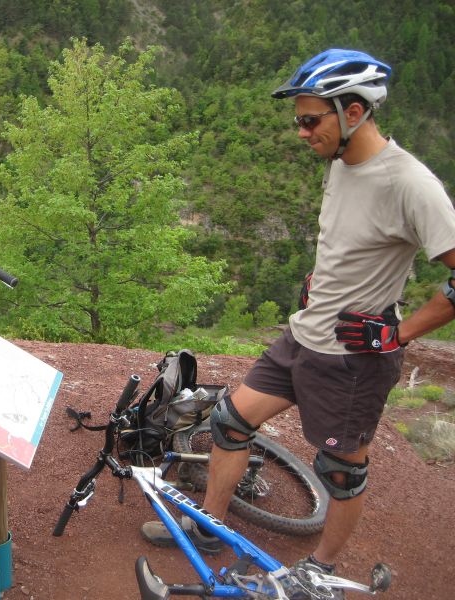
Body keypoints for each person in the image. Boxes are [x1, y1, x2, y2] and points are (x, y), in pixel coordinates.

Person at [142, 48, 455, 590]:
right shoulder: (341, 164)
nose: (302, 133)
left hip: (352, 359)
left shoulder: (410, 183)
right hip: (303, 336)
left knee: (341, 472)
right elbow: (352, 244)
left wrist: (397, 334)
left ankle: (321, 573)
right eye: (299, 122)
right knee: (229, 423)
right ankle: (211, 527)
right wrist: (322, 280)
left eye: (311, 121)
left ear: (353, 112)